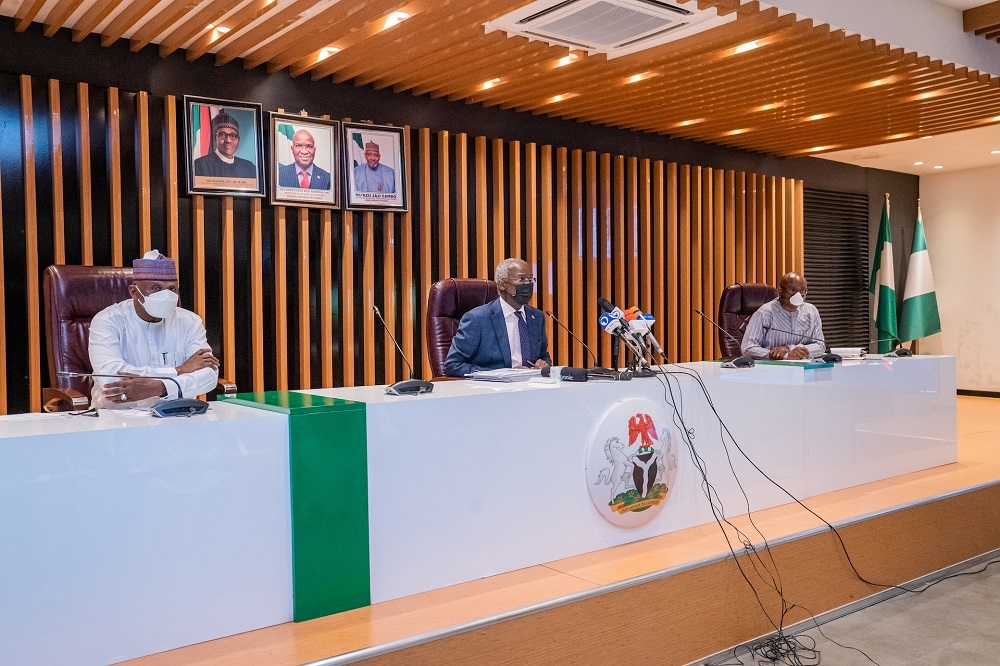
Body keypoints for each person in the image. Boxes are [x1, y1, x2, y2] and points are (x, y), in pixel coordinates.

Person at [88, 250, 221, 409]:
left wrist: (160, 388)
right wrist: (179, 370)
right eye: (156, 288)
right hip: (118, 419)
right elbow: (111, 380)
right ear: (133, 292)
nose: (166, 295)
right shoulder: (107, 321)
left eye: (172, 289)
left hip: (177, 416)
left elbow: (209, 375)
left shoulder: (190, 321)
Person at [444, 258, 552, 377]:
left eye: (530, 279)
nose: (528, 284)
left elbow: (543, 355)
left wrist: (544, 364)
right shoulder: (477, 319)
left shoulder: (536, 317)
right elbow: (453, 365)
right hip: (494, 391)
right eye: (521, 279)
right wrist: (505, 374)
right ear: (502, 284)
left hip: (532, 387)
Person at [741, 272, 826, 360]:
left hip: (804, 367)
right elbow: (748, 348)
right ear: (780, 290)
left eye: (802, 290)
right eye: (792, 290)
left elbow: (820, 345)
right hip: (773, 368)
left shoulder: (811, 311)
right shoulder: (764, 313)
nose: (798, 295)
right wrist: (784, 356)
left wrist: (790, 349)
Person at [193, 110, 257, 179]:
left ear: (238, 140)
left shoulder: (249, 167)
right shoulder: (200, 165)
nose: (228, 140)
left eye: (233, 136)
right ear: (215, 138)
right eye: (222, 135)